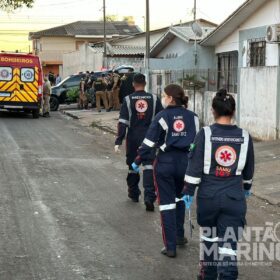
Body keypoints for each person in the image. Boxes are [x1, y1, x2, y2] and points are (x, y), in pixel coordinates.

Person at [182, 89, 255, 279]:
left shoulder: (205, 134)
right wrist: (246, 189)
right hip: (234, 198)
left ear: (213, 110)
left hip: (208, 198)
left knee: (210, 240)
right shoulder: (245, 137)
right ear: (233, 111)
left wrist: (188, 191)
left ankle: (208, 274)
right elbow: (248, 171)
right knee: (229, 245)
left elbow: (194, 167)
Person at [132, 84, 199, 257]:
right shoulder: (194, 117)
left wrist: (138, 160)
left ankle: (170, 246)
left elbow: (148, 144)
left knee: (167, 204)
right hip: (186, 164)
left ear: (170, 98)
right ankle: (179, 236)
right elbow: (196, 145)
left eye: (163, 95)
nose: (162, 98)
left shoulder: (162, 116)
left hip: (165, 164)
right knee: (181, 200)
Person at [115, 73, 162, 211]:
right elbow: (162, 120)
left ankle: (134, 193)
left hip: (133, 138)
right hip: (150, 139)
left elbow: (122, 122)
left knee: (132, 166)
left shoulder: (128, 100)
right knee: (149, 166)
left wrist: (118, 140)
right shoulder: (154, 98)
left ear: (133, 84)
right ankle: (149, 197)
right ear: (145, 83)